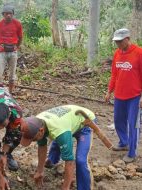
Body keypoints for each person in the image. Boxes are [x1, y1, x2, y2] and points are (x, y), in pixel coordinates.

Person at [20, 105, 96, 190]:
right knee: (58, 140)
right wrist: (40, 170)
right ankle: (53, 161)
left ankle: (85, 188)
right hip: (66, 122)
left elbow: (69, 162)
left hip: (85, 122)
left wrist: (65, 187)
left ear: (41, 131)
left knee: (81, 160)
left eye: (33, 139)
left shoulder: (60, 132)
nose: (33, 141)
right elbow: (42, 146)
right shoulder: (36, 123)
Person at [105, 28, 142, 163]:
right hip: (120, 95)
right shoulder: (117, 54)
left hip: (135, 96)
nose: (118, 44)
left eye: (120, 41)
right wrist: (109, 91)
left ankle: (132, 152)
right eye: (116, 42)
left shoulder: (139, 53)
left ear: (127, 39)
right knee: (118, 120)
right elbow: (114, 74)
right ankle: (123, 142)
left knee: (133, 124)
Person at [0, 4, 23, 93]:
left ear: (13, 14)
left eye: (10, 13)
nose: (8, 15)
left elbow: (20, 37)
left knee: (12, 75)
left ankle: (10, 93)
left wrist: (16, 46)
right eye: (6, 14)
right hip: (2, 52)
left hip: (13, 52)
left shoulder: (17, 24)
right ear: (3, 14)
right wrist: (1, 44)